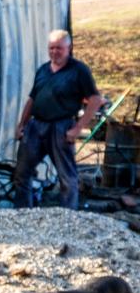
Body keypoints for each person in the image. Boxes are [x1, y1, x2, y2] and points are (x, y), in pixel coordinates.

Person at [12, 29, 104, 210]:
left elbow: (95, 100)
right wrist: (21, 125)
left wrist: (78, 128)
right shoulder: (43, 70)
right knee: (21, 173)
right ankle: (22, 214)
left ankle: (67, 218)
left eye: (59, 48)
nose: (54, 52)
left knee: (66, 176)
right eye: (51, 48)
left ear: (69, 48)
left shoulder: (79, 70)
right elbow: (32, 99)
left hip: (61, 127)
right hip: (36, 126)